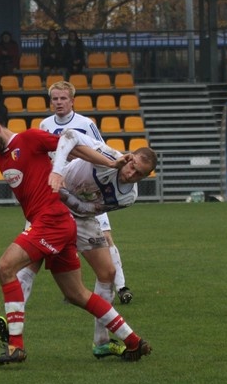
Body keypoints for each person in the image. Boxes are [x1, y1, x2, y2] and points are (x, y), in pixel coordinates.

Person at [0, 109, 152, 363]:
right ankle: (134, 341)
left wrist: (110, 163)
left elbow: (74, 147)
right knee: (76, 294)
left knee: (5, 268)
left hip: (53, 220)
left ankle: (16, 346)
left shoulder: (30, 139)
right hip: (57, 223)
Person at [22, 131, 157, 357]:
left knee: (108, 272)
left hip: (81, 217)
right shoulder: (106, 154)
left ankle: (101, 342)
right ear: (129, 156)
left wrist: (66, 193)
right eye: (132, 166)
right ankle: (12, 329)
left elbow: (88, 210)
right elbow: (70, 135)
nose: (130, 174)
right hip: (51, 203)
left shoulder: (128, 197)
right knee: (30, 263)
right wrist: (56, 172)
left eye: (138, 175)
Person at [37, 80, 132, 304]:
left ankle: (121, 285)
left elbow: (100, 150)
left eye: (63, 98)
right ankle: (75, 291)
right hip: (63, 189)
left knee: (105, 236)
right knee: (65, 238)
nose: (59, 102)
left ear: (72, 101)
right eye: (55, 99)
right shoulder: (44, 125)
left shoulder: (85, 123)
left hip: (90, 187)